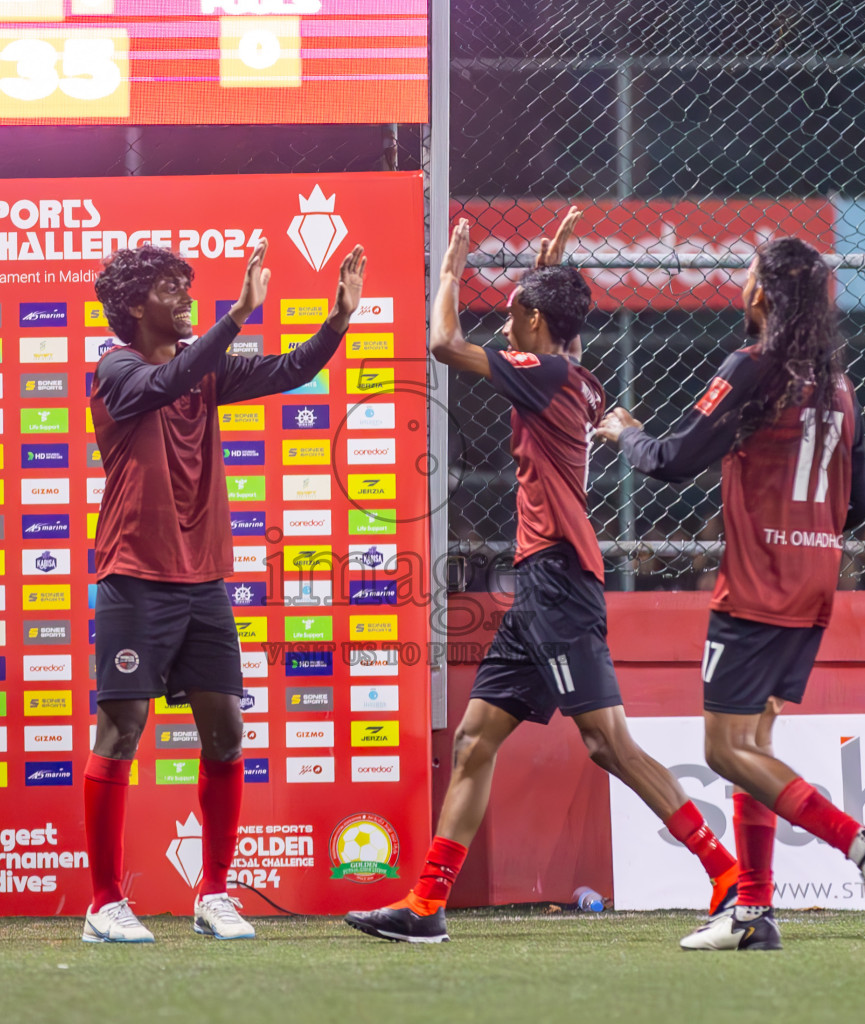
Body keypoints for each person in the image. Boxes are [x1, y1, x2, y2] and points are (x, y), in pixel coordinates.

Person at [345, 216, 739, 945]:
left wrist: (448, 273)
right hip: (538, 588)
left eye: (513, 311)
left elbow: (441, 345)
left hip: (558, 580)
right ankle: (427, 908)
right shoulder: (575, 369)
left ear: (533, 318)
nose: (503, 321)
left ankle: (727, 878)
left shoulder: (547, 374)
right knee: (473, 741)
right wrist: (549, 263)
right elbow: (559, 313)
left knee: (608, 744)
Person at [596, 237, 865, 951]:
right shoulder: (839, 386)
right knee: (757, 740)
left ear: (761, 293)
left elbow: (673, 460)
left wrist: (626, 433)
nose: (740, 282)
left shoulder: (751, 369)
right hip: (813, 584)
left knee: (725, 748)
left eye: (747, 274)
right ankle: (752, 913)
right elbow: (861, 502)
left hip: (757, 587)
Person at [82, 239, 366, 943]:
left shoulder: (202, 372)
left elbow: (288, 369)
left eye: (190, 288)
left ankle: (214, 894)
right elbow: (160, 385)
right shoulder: (115, 368)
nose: (186, 300)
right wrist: (235, 318)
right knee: (121, 733)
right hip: (133, 576)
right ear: (135, 305)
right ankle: (103, 903)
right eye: (173, 290)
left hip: (203, 579)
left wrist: (336, 322)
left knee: (227, 730)